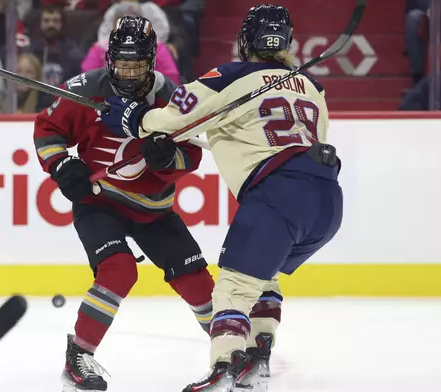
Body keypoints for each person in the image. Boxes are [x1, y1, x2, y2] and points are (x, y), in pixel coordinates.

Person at [100, 5, 343, 391]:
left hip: (277, 195)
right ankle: (260, 355)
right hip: (327, 199)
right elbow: (313, 137)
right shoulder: (313, 86)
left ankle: (223, 367)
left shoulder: (231, 75)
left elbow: (175, 116)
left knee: (232, 287)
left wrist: (135, 119)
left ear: (246, 41)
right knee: (263, 274)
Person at [32, 16, 215, 391]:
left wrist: (166, 158)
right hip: (99, 203)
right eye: (122, 64)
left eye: (138, 65)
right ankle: (78, 355)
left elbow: (191, 159)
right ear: (109, 59)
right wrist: (62, 164)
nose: (129, 73)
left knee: (197, 281)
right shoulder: (85, 89)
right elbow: (47, 130)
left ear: (152, 61)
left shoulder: (172, 100)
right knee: (118, 271)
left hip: (154, 209)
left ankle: (228, 349)